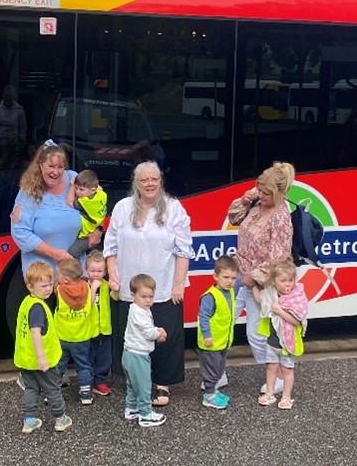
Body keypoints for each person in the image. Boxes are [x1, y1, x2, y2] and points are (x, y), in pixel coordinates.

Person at [104, 160, 193, 408]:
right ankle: (135, 382)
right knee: (131, 336)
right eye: (144, 180)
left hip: (163, 286)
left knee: (164, 336)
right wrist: (113, 275)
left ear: (160, 181)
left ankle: (162, 384)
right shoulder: (122, 208)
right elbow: (110, 246)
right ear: (137, 184)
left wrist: (178, 285)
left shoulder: (174, 209)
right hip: (129, 287)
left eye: (154, 179)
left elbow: (184, 251)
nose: (150, 184)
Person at [226, 161, 296, 396]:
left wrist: (253, 277)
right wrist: (246, 199)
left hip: (259, 283)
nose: (262, 196)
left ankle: (275, 377)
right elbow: (233, 218)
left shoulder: (281, 216)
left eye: (267, 193)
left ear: (279, 192)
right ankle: (217, 373)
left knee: (256, 334)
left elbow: (279, 257)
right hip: (237, 273)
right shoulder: (256, 202)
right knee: (222, 324)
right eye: (260, 190)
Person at [11, 141, 100, 277]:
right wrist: (55, 254)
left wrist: (98, 230)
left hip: (74, 273)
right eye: (51, 166)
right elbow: (19, 231)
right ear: (40, 165)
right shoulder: (29, 191)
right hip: (42, 276)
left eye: (60, 167)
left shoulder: (74, 180)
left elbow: (97, 204)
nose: (56, 172)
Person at [14, 261, 73, 433]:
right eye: (43, 285)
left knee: (31, 389)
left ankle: (29, 420)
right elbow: (35, 332)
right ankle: (60, 419)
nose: (48, 289)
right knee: (52, 389)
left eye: (50, 284)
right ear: (30, 286)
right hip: (42, 360)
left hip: (26, 359)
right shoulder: (38, 308)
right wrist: (42, 357)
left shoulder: (27, 302)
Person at [257, 256, 308, 410]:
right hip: (272, 341)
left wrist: (279, 311)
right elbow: (261, 301)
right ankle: (270, 394)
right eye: (283, 280)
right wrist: (253, 285)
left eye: (291, 280)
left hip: (287, 342)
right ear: (273, 281)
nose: (288, 284)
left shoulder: (296, 297)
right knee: (271, 367)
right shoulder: (270, 294)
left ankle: (286, 397)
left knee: (287, 370)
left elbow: (296, 320)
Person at [121, 274, 167, 428]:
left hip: (129, 353)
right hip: (138, 355)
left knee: (132, 384)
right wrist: (159, 334)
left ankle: (132, 408)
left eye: (151, 296)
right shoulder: (140, 312)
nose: (148, 300)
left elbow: (146, 329)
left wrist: (155, 330)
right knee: (143, 385)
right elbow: (148, 332)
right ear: (133, 295)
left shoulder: (135, 308)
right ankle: (146, 414)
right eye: (143, 297)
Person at [198, 255, 240, 410]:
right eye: (226, 277)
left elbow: (242, 281)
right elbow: (203, 316)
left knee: (219, 368)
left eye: (233, 278)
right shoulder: (211, 296)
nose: (230, 281)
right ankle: (208, 394)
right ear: (215, 276)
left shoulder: (230, 291)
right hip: (211, 342)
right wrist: (207, 335)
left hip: (223, 341)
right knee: (211, 368)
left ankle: (213, 390)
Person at [54, 258, 94, 405]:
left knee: (59, 366)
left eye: (58, 274)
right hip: (82, 337)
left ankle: (53, 393)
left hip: (62, 336)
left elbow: (56, 287)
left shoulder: (59, 290)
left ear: (65, 279)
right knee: (83, 365)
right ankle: (85, 394)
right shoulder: (87, 288)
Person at [85, 250, 113, 397]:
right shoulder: (83, 287)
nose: (96, 274)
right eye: (92, 271)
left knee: (104, 357)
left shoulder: (107, 285)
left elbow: (115, 296)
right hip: (90, 330)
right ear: (86, 270)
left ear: (105, 271)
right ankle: (87, 383)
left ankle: (100, 381)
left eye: (99, 271)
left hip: (105, 329)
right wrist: (93, 288)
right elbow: (85, 305)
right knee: (89, 357)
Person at [67, 169, 108, 257]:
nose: (77, 192)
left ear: (93, 190)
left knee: (72, 253)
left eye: (81, 189)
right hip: (96, 227)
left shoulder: (86, 202)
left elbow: (70, 202)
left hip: (87, 235)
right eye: (77, 188)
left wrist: (72, 187)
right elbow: (100, 188)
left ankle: (77, 269)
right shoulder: (101, 195)